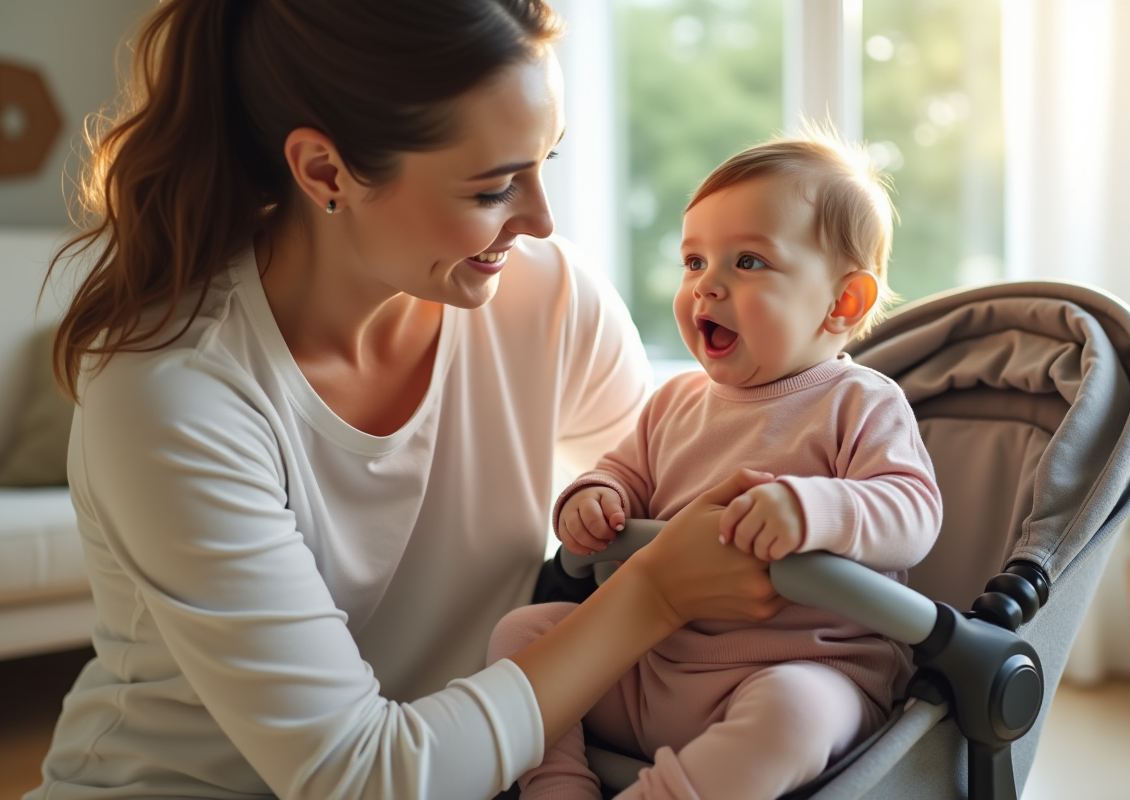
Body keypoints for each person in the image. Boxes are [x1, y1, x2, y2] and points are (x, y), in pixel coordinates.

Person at [24, 2, 790, 799]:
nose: (540, 219)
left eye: (544, 162)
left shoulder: (547, 296)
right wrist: (656, 594)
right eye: (494, 187)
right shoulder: (174, 395)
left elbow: (671, 505)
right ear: (326, 173)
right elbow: (360, 776)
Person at [488, 131, 944, 800]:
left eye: (749, 261)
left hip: (801, 668)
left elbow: (914, 512)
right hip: (653, 661)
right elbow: (620, 475)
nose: (708, 286)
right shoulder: (673, 402)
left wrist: (811, 509)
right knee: (524, 631)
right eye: (694, 261)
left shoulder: (859, 401)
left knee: (794, 714)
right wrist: (592, 498)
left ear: (842, 303)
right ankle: (556, 784)